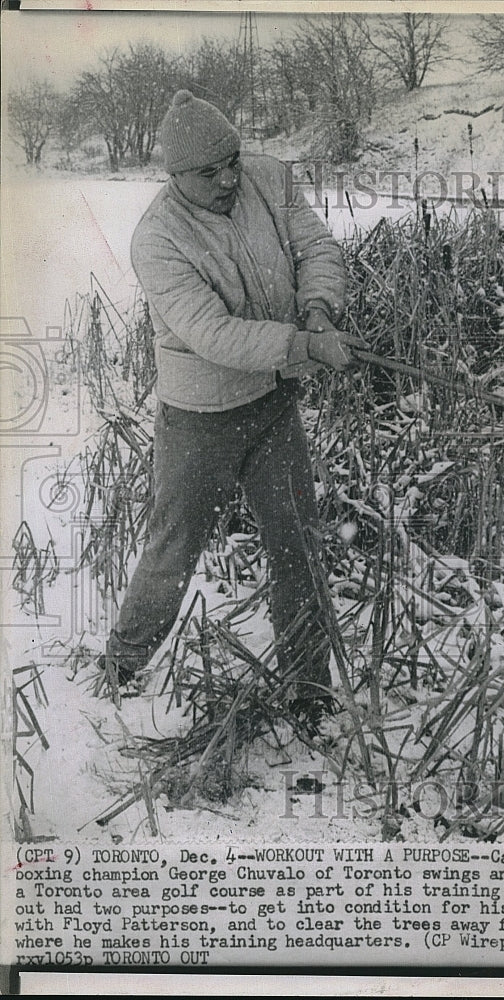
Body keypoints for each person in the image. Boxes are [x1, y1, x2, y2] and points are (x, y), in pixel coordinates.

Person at [99, 90, 357, 727]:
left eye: (232, 161)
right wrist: (302, 346)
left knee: (296, 539)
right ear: (174, 176)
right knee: (174, 544)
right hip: (200, 417)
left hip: (271, 402)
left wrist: (319, 308)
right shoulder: (156, 240)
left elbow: (317, 247)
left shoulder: (268, 178)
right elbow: (212, 334)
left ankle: (309, 689)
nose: (227, 178)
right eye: (208, 171)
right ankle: (121, 665)